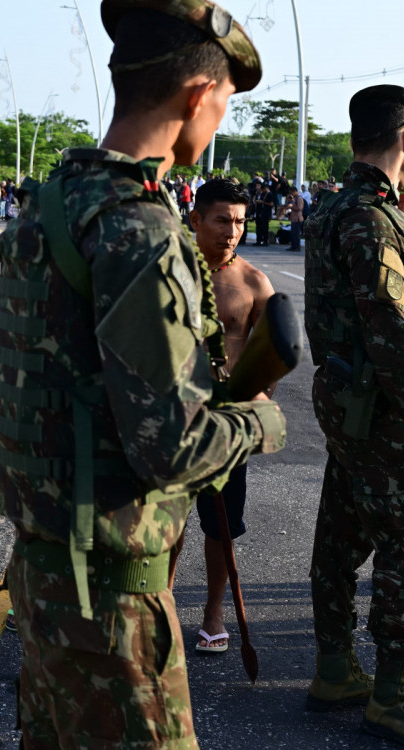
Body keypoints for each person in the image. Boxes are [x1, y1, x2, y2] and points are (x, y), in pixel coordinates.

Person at [0, 3, 284, 747]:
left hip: (44, 572)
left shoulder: (49, 205)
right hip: (111, 602)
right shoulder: (140, 230)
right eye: (222, 103)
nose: (217, 120)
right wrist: (262, 420)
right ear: (195, 95)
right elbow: (172, 449)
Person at [303, 85, 404, 749]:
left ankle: (335, 666)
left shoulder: (336, 207)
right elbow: (387, 330)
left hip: (347, 400)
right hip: (376, 406)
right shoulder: (372, 219)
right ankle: (394, 694)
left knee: (341, 526)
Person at [183, 178, 276, 654]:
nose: (232, 231)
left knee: (221, 527)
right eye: (222, 220)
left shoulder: (254, 283)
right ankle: (155, 601)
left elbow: (269, 360)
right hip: (170, 423)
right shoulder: (167, 273)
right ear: (196, 219)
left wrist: (253, 407)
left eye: (239, 221)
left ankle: (213, 611)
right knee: (164, 526)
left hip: (225, 425)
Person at [288, 185, 305, 251]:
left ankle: (297, 247)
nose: (291, 194)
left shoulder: (299, 198)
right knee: (293, 233)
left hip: (298, 218)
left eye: (291, 192)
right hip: (293, 218)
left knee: (297, 234)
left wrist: (292, 206)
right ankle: (293, 246)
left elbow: (300, 208)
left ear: (295, 191)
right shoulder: (294, 198)